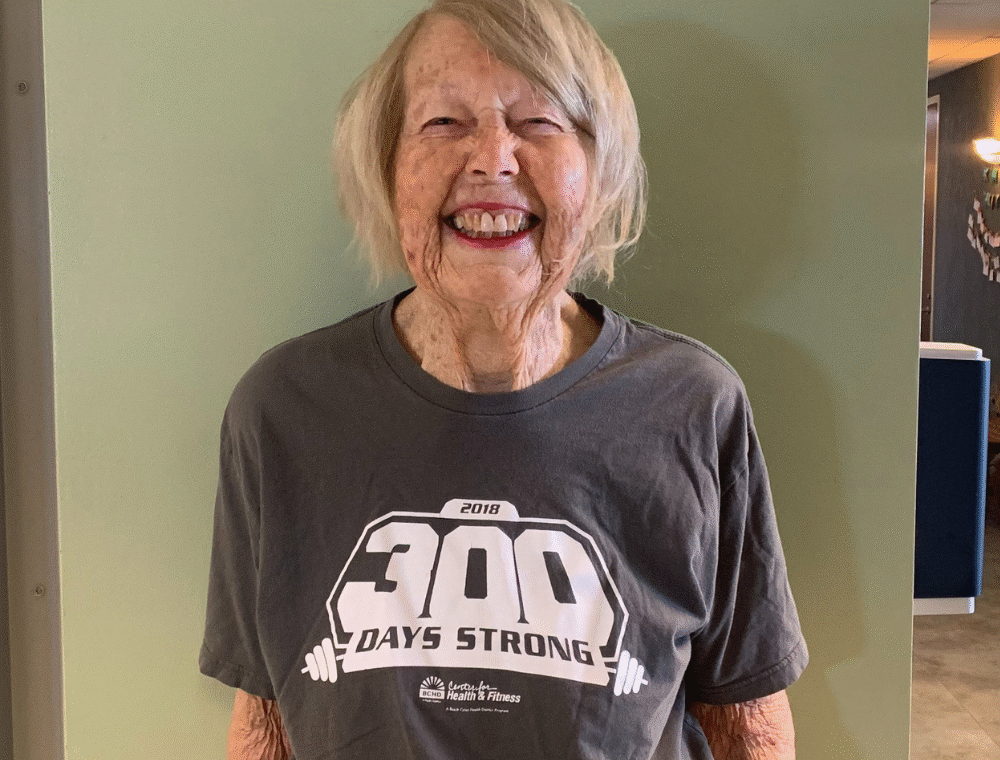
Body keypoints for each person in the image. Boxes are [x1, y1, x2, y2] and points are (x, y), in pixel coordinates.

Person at [199, 0, 808, 758]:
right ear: (387, 170)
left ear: (599, 170)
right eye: (443, 122)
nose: (493, 160)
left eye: (539, 122)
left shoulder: (694, 406)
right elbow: (263, 719)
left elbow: (747, 721)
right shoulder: (282, 410)